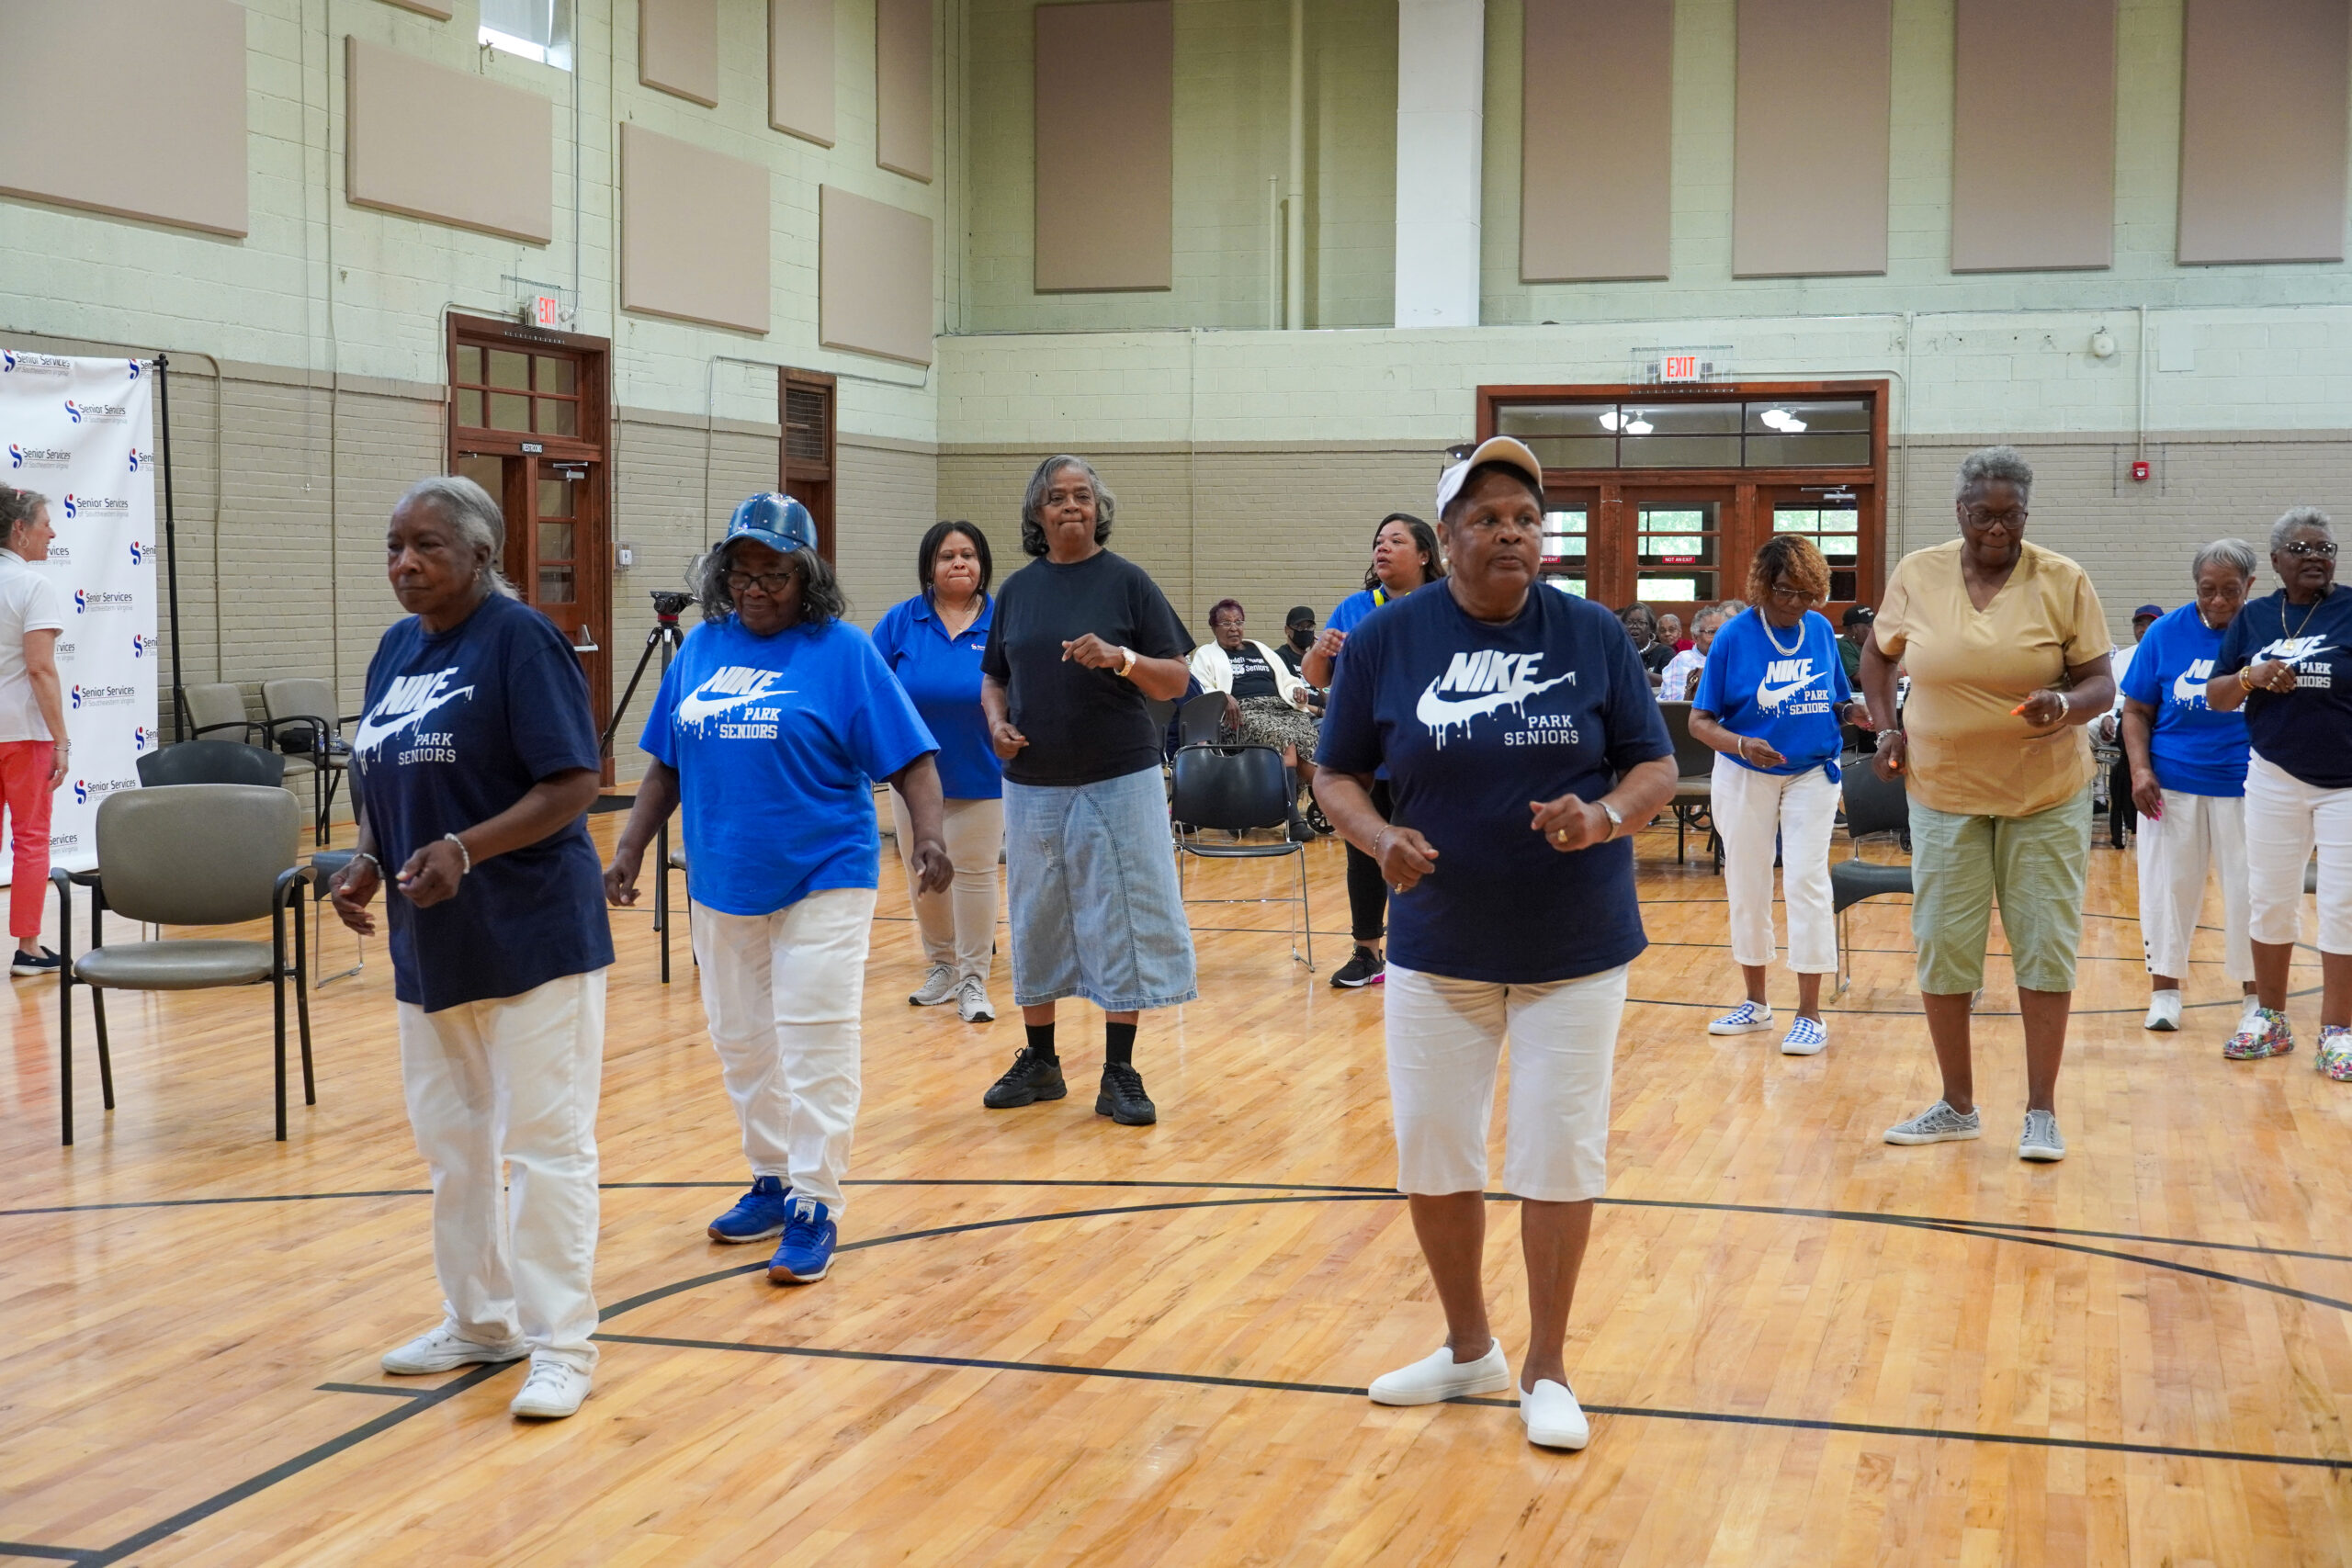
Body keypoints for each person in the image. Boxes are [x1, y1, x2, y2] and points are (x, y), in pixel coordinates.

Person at [1315, 435, 1677, 1452]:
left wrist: (1601, 818)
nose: (1511, 531)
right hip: (1438, 944)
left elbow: (1652, 766)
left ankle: (1547, 1366)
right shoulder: (1389, 641)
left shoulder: (1593, 633)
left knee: (1557, 1152)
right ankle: (1466, 1344)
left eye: (1525, 517)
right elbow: (1335, 773)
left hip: (1575, 945)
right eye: (1487, 518)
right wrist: (1380, 837)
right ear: (1445, 539)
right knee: (1434, 1148)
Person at [605, 495, 950, 1287]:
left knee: (814, 1037)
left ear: (808, 578)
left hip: (824, 874)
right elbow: (664, 764)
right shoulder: (699, 650)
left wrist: (928, 836)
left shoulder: (843, 651)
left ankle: (815, 1203)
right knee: (741, 1039)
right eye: (743, 572)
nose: (757, 587)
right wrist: (629, 849)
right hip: (721, 878)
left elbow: (912, 760)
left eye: (776, 573)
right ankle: (770, 1176)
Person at [331, 475, 612, 1421]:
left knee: (545, 1146)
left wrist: (464, 849)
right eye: (395, 545)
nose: (405, 564)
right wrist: (369, 861)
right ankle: (479, 1318)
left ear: (482, 555)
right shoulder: (394, 650)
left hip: (534, 935)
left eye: (429, 547)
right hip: (432, 941)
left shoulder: (519, 639)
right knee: (453, 1147)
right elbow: (385, 777)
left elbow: (573, 782)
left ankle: (563, 1344)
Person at [1860, 446, 2113, 1162]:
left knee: (2044, 944)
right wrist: (1886, 728)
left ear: (2026, 515)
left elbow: (2101, 682)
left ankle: (2041, 1110)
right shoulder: (1918, 572)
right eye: (1983, 514)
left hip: (2044, 794)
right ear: (1960, 511)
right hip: (1941, 791)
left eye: (2010, 515)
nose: (1996, 528)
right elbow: (1878, 657)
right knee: (1944, 947)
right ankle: (1956, 1104)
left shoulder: (2062, 579)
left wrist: (2063, 704)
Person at [978, 457, 1196, 1125]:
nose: (1070, 505)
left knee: (1121, 914)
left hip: (1118, 774)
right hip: (1034, 781)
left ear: (1099, 509)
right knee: (1037, 914)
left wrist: (1123, 659)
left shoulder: (1128, 582)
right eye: (1056, 497)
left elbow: (1178, 680)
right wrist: (996, 723)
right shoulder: (1017, 591)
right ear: (1037, 515)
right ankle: (1042, 1060)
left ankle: (1120, 1070)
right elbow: (994, 677)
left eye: (1082, 496)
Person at [1689, 539, 1870, 1055]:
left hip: (1812, 771)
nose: (1798, 603)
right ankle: (1756, 1003)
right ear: (1763, 586)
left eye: (1810, 594)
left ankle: (1810, 1013)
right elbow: (1701, 722)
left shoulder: (1818, 630)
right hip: (1745, 771)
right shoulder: (1732, 638)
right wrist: (1742, 742)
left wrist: (1850, 712)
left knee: (1806, 880)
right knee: (1746, 882)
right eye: (1788, 592)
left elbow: (1833, 696)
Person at [2208, 507, 2352, 1077]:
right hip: (2274, 776)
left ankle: (2339, 1030)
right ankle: (2270, 1017)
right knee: (2269, 896)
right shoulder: (2254, 619)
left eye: (2325, 547)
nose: (2315, 555)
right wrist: (2252, 676)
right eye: (2301, 547)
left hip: (2347, 784)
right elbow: (2219, 695)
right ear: (2274, 562)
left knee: (2344, 904)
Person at [1302, 513, 1448, 989]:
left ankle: (1434, 947)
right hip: (1364, 756)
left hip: (1425, 751)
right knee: (1365, 852)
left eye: (1396, 541)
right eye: (1378, 542)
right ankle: (1367, 953)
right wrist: (1321, 650)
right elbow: (1316, 677)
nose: (1382, 549)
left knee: (1428, 852)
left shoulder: (1446, 607)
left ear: (1425, 554)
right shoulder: (1354, 607)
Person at [872, 521, 1006, 1023]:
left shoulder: (1000, 619)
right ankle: (942, 965)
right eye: (947, 555)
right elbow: (872, 689)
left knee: (972, 875)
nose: (958, 564)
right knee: (923, 872)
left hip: (982, 771)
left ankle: (974, 977)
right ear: (929, 566)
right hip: (911, 776)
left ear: (982, 564)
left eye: (968, 555)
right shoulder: (901, 621)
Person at [2120, 544, 2256, 1034]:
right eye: (2207, 590)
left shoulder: (2264, 631)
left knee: (2250, 892)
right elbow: (2135, 711)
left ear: (2250, 587)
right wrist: (2140, 771)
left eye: (2230, 591)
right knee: (2166, 891)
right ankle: (2165, 994)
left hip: (2248, 785)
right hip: (2171, 785)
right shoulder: (2164, 633)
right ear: (2194, 587)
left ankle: (2255, 1000)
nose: (2218, 601)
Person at [0, 488, 67, 976]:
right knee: (30, 839)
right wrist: (62, 740)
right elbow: (41, 670)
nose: (53, 531)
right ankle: (28, 948)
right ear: (19, 529)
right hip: (22, 732)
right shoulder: (32, 584)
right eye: (45, 522)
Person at [1188, 598, 1322, 837]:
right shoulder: (1206, 654)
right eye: (1226, 623)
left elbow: (1287, 680)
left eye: (1238, 621)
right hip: (1242, 713)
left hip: (1281, 708)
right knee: (1285, 740)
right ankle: (1293, 821)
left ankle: (1335, 804)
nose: (1233, 628)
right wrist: (1222, 696)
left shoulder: (1260, 649)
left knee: (1311, 744)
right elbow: (1200, 687)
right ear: (1214, 627)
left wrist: (1296, 691)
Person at [2097, 604, 2167, 846]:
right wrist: (2107, 716)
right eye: (2140, 624)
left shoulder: (2170, 654)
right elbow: (2111, 697)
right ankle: (2100, 800)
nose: (2145, 629)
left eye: (2151, 624)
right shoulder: (2122, 659)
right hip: (2122, 723)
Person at [1657, 604, 1725, 703]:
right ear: (1695, 636)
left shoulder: (1734, 660)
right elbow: (1679, 706)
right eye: (1711, 632)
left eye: (1723, 631)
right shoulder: (1683, 660)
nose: (1719, 637)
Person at [1620, 604, 1676, 680]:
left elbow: (1669, 682)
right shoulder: (1617, 652)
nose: (1635, 626)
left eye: (1641, 623)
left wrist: (1641, 673)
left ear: (1651, 628)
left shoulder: (1665, 652)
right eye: (1629, 622)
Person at [1837, 604, 1874, 683]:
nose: (1874, 630)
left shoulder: (1867, 644)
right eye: (1870, 626)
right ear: (1855, 628)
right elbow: (1858, 677)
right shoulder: (1844, 646)